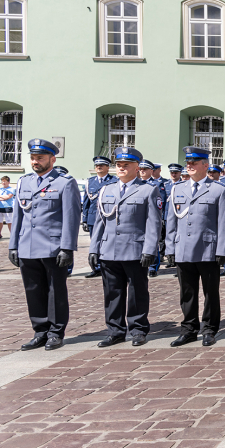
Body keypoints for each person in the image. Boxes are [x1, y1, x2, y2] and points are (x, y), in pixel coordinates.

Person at [9, 139, 81, 351]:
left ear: (52, 158)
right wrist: (13, 246)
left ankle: (56, 332)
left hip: (53, 247)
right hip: (27, 246)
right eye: (32, 158)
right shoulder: (24, 182)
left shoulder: (65, 182)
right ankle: (40, 331)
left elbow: (71, 218)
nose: (35, 162)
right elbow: (18, 215)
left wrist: (67, 247)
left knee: (55, 291)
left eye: (39, 158)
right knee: (33, 290)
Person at [89, 147, 161, 348]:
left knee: (137, 292)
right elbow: (99, 222)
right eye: (119, 165)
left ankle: (138, 329)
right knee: (112, 293)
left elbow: (153, 222)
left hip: (135, 250)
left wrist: (150, 249)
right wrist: (94, 249)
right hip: (109, 249)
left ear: (137, 167)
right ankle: (115, 331)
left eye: (126, 165)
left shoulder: (148, 189)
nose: (121, 168)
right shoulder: (106, 189)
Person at [165, 146, 225, 347]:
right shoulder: (178, 188)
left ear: (205, 165)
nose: (190, 166)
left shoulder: (218, 189)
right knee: (187, 292)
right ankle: (188, 329)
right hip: (183, 248)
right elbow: (171, 221)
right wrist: (170, 248)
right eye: (188, 163)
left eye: (194, 163)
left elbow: (224, 223)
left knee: (210, 292)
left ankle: (209, 329)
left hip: (207, 249)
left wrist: (222, 250)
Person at [80, 156, 117, 278]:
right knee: (94, 243)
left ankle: (107, 265)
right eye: (97, 166)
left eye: (101, 165)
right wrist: (84, 219)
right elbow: (86, 202)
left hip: (107, 217)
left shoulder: (114, 181)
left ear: (107, 167)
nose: (98, 167)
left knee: (107, 242)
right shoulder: (90, 182)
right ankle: (96, 267)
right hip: (92, 218)